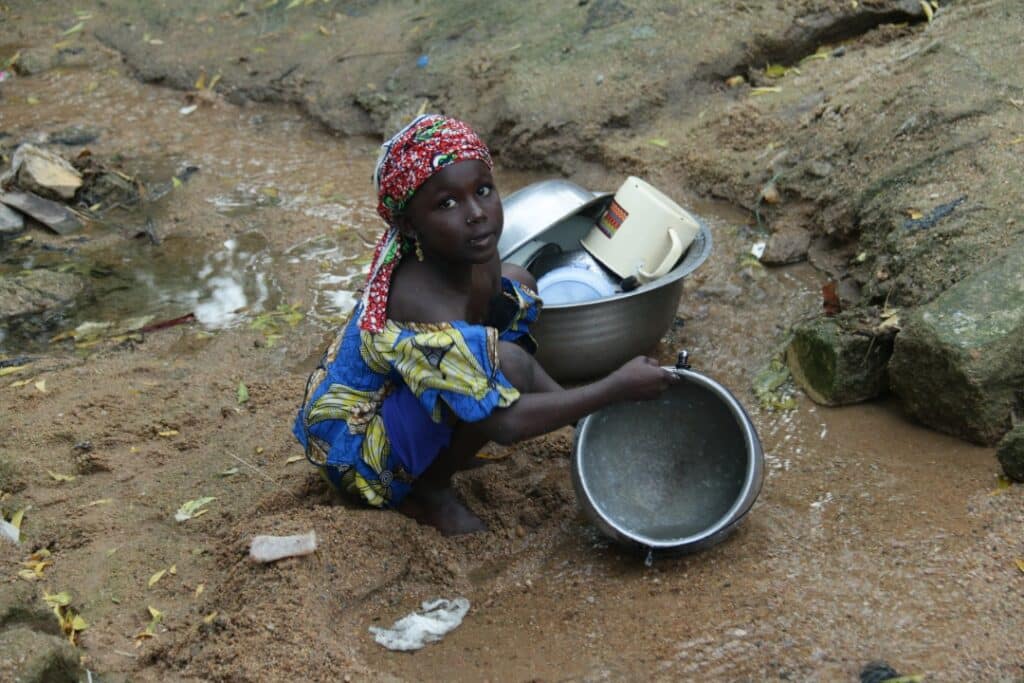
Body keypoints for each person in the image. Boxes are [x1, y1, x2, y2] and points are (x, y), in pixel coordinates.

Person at [293, 114, 678, 535]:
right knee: (507, 366)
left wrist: (593, 426)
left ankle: (453, 446)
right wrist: (610, 390)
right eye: (447, 204)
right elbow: (504, 423)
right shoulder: (419, 301)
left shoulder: (471, 251)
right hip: (358, 450)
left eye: (483, 190)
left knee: (519, 282)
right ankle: (430, 491)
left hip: (414, 384)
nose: (477, 214)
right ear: (409, 224)